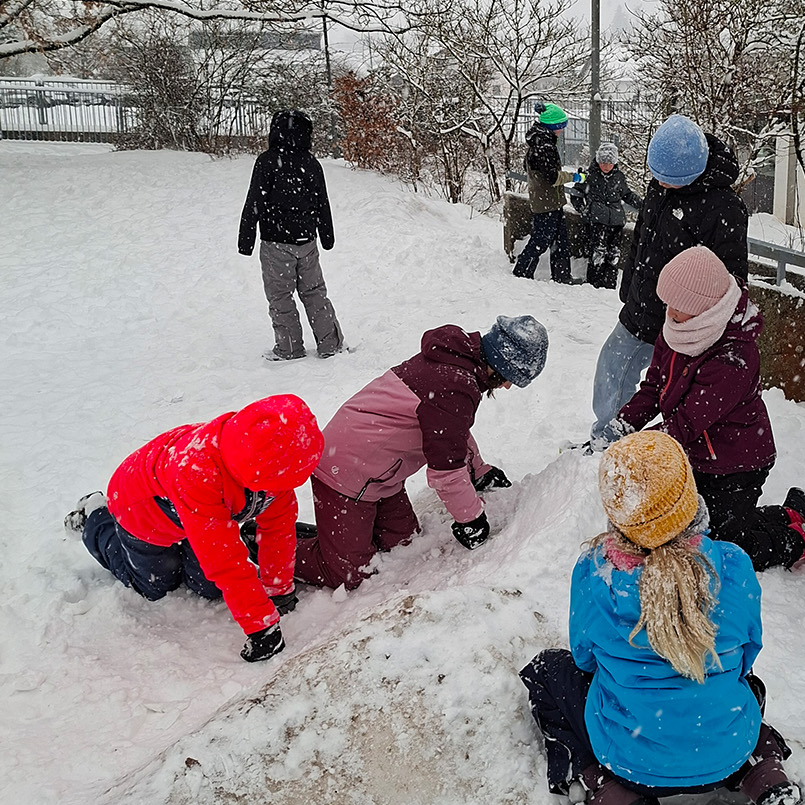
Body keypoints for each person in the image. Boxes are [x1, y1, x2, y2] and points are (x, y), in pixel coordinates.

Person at [520, 431, 804, 805]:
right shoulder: (734, 565)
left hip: (630, 758)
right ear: (689, 496)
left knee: (548, 671)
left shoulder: (594, 574)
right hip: (727, 747)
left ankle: (603, 783)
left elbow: (584, 661)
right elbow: (746, 657)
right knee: (744, 688)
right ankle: (758, 768)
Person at [616, 246, 805, 570]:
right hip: (696, 454)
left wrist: (635, 450)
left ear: (702, 309)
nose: (668, 311)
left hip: (737, 461)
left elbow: (687, 422)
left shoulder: (735, 356)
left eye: (677, 305)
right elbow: (654, 387)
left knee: (729, 547)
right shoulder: (677, 329)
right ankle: (792, 513)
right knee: (699, 528)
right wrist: (622, 426)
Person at [293, 315, 549, 590]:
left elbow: (451, 432)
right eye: (510, 378)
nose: (508, 386)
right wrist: (471, 519)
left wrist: (479, 471)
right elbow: (446, 472)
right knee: (351, 575)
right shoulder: (454, 383)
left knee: (404, 544)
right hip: (345, 472)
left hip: (379, 476)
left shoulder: (458, 365)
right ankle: (274, 550)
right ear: (502, 364)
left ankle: (333, 540)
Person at [65, 394, 324, 662]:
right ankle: (95, 519)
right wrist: (262, 628)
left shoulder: (275, 460)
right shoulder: (197, 470)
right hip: (140, 512)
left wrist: (278, 590)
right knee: (155, 587)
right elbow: (226, 563)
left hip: (196, 517)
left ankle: (187, 544)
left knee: (209, 588)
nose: (283, 489)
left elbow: (279, 528)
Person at [590, 113, 749, 445]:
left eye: (667, 179)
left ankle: (633, 448)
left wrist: (703, 325)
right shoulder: (661, 186)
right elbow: (642, 237)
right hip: (641, 304)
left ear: (693, 174)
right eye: (656, 176)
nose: (659, 183)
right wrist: (629, 279)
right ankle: (608, 437)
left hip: (682, 321)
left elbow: (730, 279)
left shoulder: (724, 208)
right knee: (612, 366)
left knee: (671, 392)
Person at [238, 108, 344, 361]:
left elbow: (255, 200)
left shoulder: (267, 161)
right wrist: (326, 236)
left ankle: (289, 348)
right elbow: (322, 203)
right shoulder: (311, 163)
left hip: (275, 243)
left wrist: (246, 239)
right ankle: (330, 344)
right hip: (306, 243)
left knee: (280, 297)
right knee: (314, 292)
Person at [512, 101, 575, 285]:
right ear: (553, 126)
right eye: (561, 126)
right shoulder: (543, 146)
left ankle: (562, 276)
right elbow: (552, 177)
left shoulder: (539, 141)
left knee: (560, 240)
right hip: (545, 202)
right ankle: (522, 272)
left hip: (550, 201)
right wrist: (575, 177)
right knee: (542, 240)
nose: (562, 130)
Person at [568, 141, 642, 289]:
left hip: (616, 221)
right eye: (603, 162)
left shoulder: (619, 177)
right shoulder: (589, 175)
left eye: (609, 163)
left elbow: (626, 194)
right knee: (597, 252)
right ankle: (594, 283)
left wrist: (643, 205)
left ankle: (610, 283)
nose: (606, 166)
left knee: (614, 253)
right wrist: (583, 210)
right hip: (596, 221)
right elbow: (576, 194)